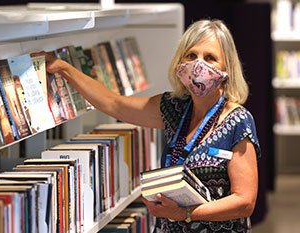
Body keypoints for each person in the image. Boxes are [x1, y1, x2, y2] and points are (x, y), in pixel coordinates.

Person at [42, 19, 261, 233]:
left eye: (210, 58)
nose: (198, 65)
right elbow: (113, 104)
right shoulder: (173, 108)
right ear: (180, 62)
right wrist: (63, 69)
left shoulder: (238, 121)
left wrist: (186, 214)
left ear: (227, 69)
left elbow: (245, 201)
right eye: (191, 55)